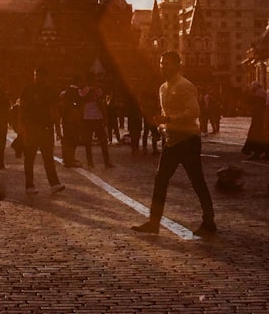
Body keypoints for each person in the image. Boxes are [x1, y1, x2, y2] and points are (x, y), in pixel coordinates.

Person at [131, 51, 216, 237]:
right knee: (160, 180)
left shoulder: (185, 86)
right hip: (171, 141)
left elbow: (194, 111)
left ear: (178, 65)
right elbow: (165, 111)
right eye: (161, 63)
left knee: (197, 181)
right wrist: (161, 127)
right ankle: (154, 222)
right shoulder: (162, 88)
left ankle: (209, 221)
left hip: (187, 140)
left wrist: (169, 118)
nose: (163, 67)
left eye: (167, 64)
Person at [19, 66, 66, 194]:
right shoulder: (28, 90)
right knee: (30, 157)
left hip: (46, 127)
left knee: (48, 157)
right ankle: (29, 185)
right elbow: (22, 108)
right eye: (35, 75)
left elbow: (54, 111)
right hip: (32, 127)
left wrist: (57, 129)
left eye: (39, 75)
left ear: (45, 77)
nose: (37, 78)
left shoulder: (50, 91)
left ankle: (54, 184)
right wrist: (22, 127)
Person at [80, 73, 113, 168]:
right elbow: (101, 105)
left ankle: (90, 162)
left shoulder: (83, 90)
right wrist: (105, 117)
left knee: (88, 141)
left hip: (86, 118)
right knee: (103, 141)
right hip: (97, 118)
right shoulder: (98, 90)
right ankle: (106, 161)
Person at [58, 76, 83, 167]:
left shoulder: (64, 92)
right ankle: (70, 160)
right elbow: (80, 103)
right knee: (73, 140)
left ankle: (66, 158)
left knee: (66, 140)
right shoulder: (77, 91)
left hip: (65, 118)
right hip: (73, 119)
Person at [242, 81, 269, 159]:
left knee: (256, 135)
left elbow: (256, 106)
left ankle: (257, 153)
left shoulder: (258, 95)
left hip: (258, 118)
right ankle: (265, 153)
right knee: (263, 136)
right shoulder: (263, 93)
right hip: (261, 118)